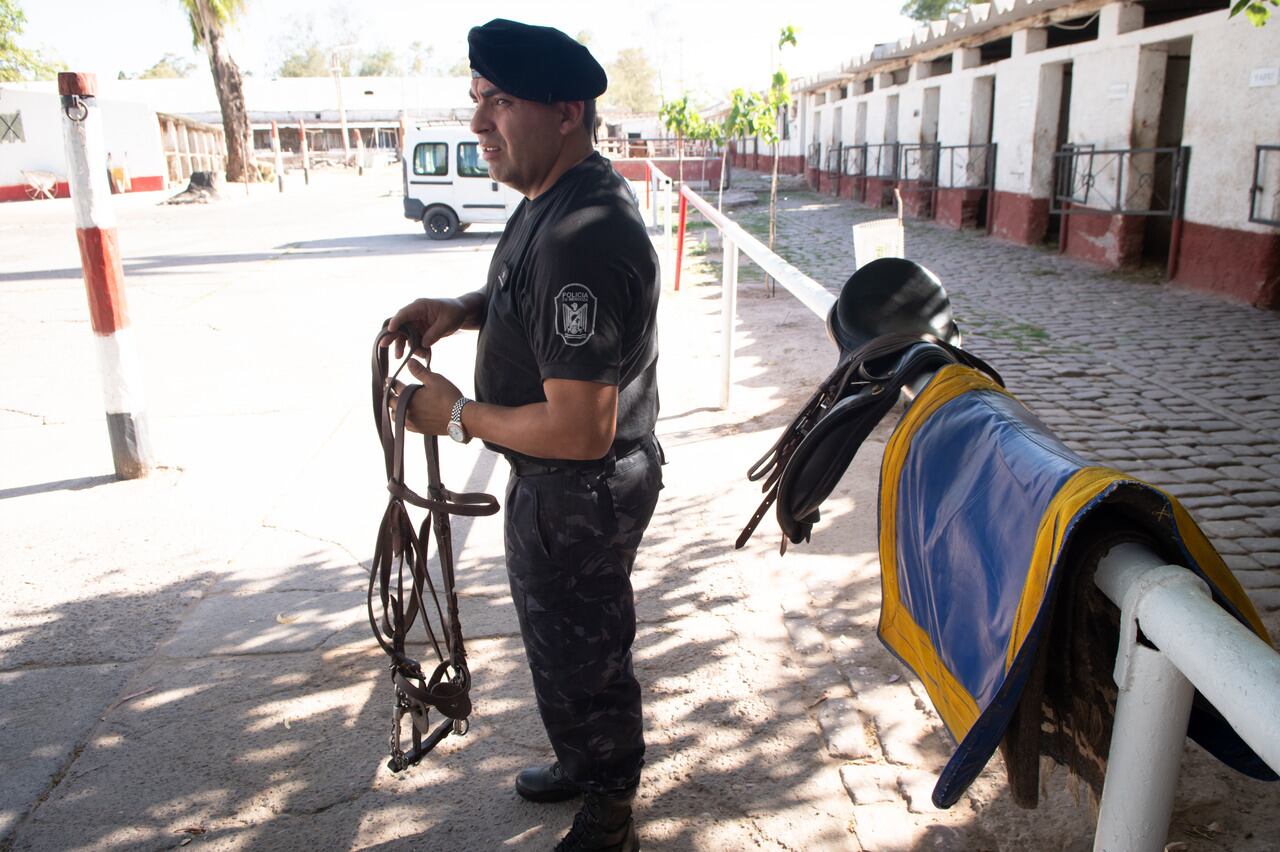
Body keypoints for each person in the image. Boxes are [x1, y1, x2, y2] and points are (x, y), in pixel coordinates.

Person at [386, 18, 661, 852]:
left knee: (585, 651)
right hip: (553, 482)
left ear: (566, 111)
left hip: (578, 485)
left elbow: (580, 429)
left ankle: (610, 802)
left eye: (499, 102)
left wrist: (457, 416)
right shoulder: (551, 198)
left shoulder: (586, 233)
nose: (477, 123)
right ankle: (584, 761)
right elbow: (520, 293)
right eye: (477, 99)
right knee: (555, 640)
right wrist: (461, 310)